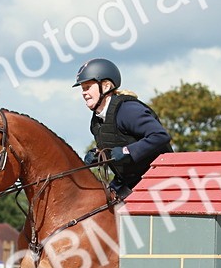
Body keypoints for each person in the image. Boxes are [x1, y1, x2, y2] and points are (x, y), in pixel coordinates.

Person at [74, 58, 172, 198]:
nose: (83, 93)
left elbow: (160, 136)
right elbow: (116, 146)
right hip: (129, 182)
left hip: (159, 180)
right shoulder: (96, 121)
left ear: (106, 86)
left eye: (88, 87)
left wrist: (127, 151)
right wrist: (99, 155)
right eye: (82, 89)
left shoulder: (127, 110)